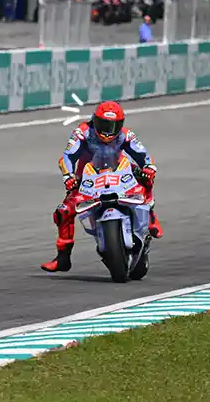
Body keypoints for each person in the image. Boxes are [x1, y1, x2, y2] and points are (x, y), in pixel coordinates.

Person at [41, 100, 163, 273]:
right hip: (88, 177)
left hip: (120, 171)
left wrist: (149, 166)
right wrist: (68, 176)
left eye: (113, 125)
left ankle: (151, 216)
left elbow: (143, 154)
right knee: (63, 211)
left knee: (146, 177)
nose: (108, 130)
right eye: (104, 124)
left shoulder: (126, 135)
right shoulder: (82, 132)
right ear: (95, 120)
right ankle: (63, 258)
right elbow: (67, 156)